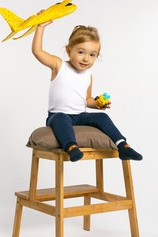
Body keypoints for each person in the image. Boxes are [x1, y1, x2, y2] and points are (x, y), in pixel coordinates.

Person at [32, 19, 143, 162]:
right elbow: (37, 51)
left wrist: (97, 104)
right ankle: (71, 147)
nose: (86, 59)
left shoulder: (88, 76)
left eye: (92, 55)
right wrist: (40, 27)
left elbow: (87, 99)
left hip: (80, 116)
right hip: (58, 116)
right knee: (60, 118)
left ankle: (123, 146)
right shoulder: (59, 66)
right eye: (81, 52)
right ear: (68, 50)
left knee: (102, 118)